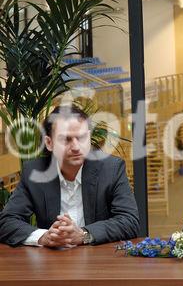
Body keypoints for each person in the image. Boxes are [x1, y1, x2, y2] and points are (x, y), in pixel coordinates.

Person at [0, 105, 140, 247]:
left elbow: (129, 221)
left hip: (99, 263)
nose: (76, 147)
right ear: (49, 143)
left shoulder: (111, 169)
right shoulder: (35, 172)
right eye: (66, 139)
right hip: (51, 262)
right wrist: (43, 237)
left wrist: (84, 235)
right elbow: (6, 221)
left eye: (82, 138)